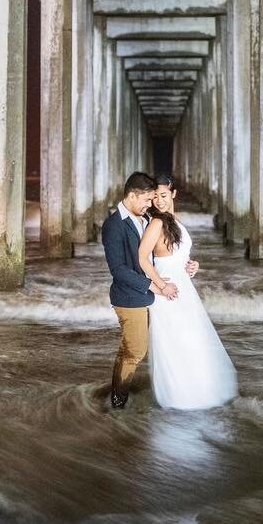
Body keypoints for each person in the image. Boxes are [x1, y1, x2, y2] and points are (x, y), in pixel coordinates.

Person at [136, 173, 238, 410]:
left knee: (191, 340)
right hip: (167, 293)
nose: (158, 201)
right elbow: (142, 258)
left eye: (163, 195)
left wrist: (192, 266)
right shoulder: (157, 222)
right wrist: (161, 285)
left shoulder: (174, 221)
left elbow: (178, 256)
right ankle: (178, 397)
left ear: (173, 194)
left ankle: (198, 392)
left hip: (183, 289)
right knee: (175, 342)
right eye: (154, 198)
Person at [103, 171, 178, 409]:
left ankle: (116, 395)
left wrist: (184, 264)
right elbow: (118, 269)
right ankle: (118, 401)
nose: (150, 204)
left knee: (128, 349)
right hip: (129, 297)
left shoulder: (145, 218)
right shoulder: (114, 225)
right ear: (133, 196)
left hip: (149, 295)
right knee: (136, 350)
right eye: (147, 200)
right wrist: (154, 286)